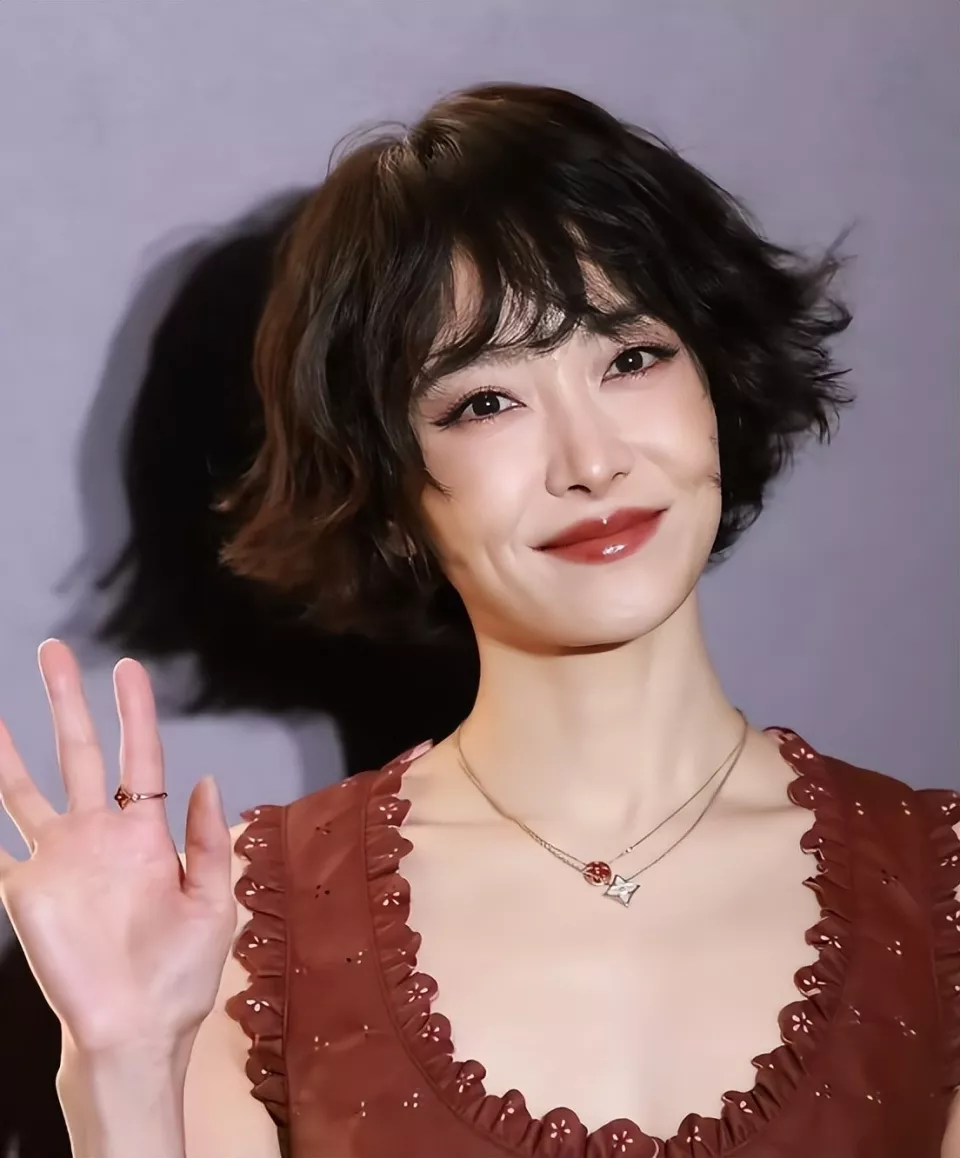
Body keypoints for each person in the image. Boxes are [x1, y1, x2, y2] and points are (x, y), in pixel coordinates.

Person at [0, 82, 957, 1158]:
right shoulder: (245, 937)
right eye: (485, 402)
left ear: (715, 383)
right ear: (389, 492)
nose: (591, 461)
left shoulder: (941, 892)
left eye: (631, 357)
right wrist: (125, 1066)